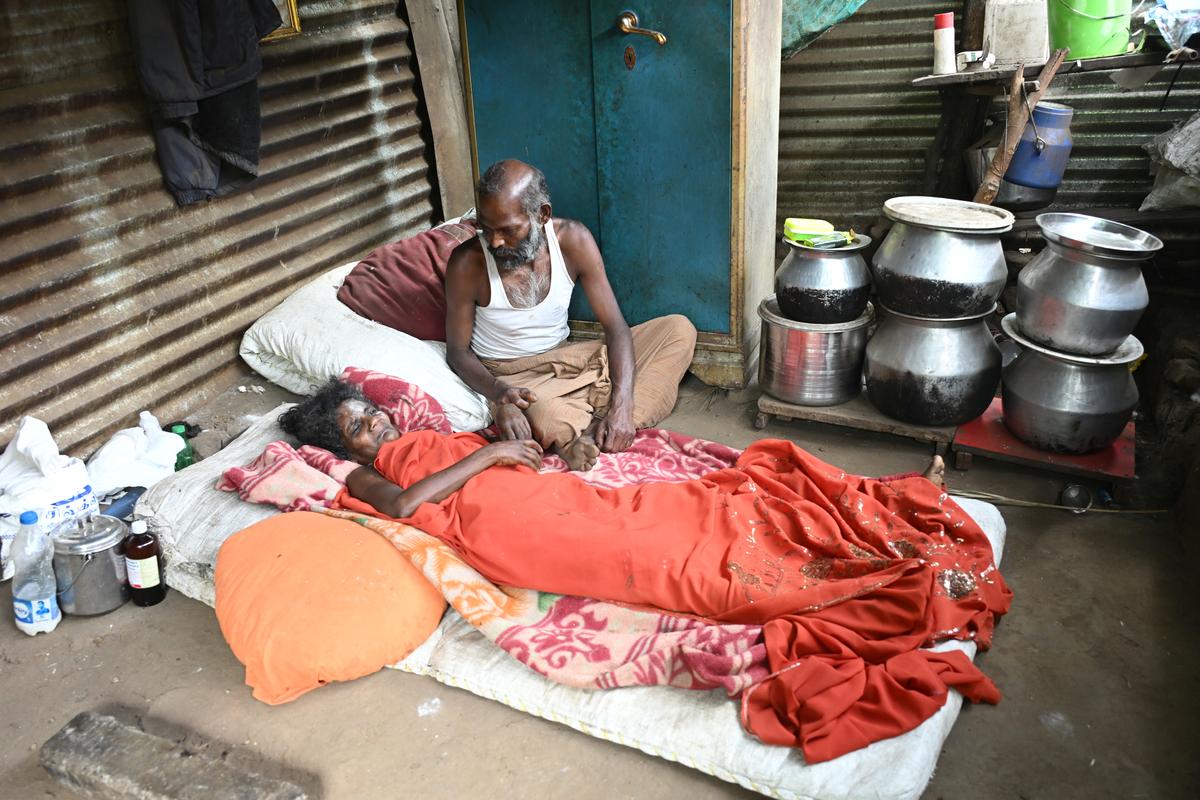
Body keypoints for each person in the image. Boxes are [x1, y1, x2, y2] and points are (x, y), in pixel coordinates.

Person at [279, 380, 1008, 763]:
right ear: (341, 446)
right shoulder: (368, 476)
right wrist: (489, 458)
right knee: (691, 568)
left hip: (554, 498)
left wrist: (523, 446)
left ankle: (846, 549)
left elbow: (500, 455)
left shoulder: (433, 435)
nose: (377, 430)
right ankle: (830, 582)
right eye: (358, 430)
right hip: (519, 533)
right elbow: (408, 502)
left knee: (702, 511)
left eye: (372, 418)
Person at [444, 159, 698, 471]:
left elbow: (616, 327)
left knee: (678, 330)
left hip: (572, 358)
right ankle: (583, 429)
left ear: (542, 215)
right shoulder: (466, 264)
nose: (495, 242)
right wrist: (500, 396)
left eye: (508, 231)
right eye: (486, 229)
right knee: (546, 415)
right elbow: (457, 352)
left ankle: (595, 429)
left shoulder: (573, 240)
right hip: (515, 379)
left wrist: (621, 404)